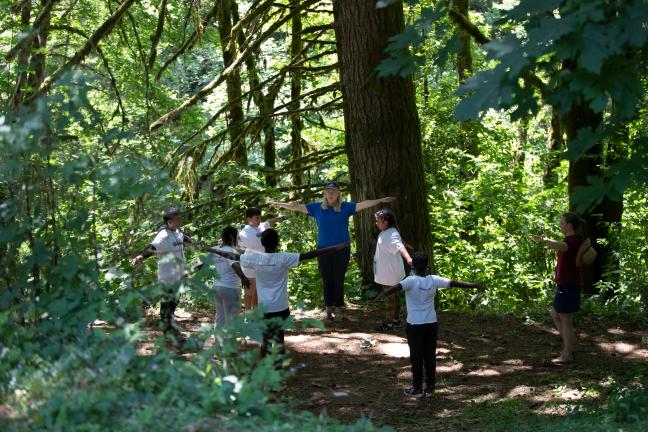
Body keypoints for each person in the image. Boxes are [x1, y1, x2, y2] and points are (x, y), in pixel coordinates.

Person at [205, 229, 350, 357]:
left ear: (262, 244)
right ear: (277, 243)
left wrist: (212, 250)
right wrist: (335, 248)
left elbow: (232, 256)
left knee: (265, 340)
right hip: (281, 307)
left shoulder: (255, 258)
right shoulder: (284, 258)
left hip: (264, 307)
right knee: (279, 338)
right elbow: (310, 254)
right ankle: (278, 370)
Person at [269, 181, 395, 320]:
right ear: (324, 193)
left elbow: (363, 204)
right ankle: (328, 308)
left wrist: (381, 200)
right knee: (327, 279)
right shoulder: (316, 208)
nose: (330, 193)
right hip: (323, 250)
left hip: (342, 249)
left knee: (338, 279)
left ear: (338, 194)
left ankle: (339, 308)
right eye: (328, 191)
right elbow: (297, 207)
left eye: (333, 191)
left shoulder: (345, 207)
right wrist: (279, 203)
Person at [376, 252, 484, 398]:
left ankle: (417, 389)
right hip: (431, 324)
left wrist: (383, 294)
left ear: (412, 266)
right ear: (427, 266)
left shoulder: (410, 281)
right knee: (429, 356)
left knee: (416, 357)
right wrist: (474, 285)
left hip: (415, 325)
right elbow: (454, 283)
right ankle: (431, 387)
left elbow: (397, 287)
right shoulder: (433, 280)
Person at [131, 207, 194, 343]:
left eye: (180, 218)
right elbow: (152, 247)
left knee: (173, 304)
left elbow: (184, 239)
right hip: (168, 278)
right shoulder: (163, 236)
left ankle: (171, 329)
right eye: (177, 219)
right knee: (167, 305)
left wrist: (194, 243)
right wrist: (141, 256)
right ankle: (168, 334)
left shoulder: (176, 232)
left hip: (178, 276)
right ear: (169, 221)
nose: (180, 220)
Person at [533, 212, 584, 364]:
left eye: (562, 223)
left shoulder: (573, 240)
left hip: (569, 284)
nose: (560, 225)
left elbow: (562, 246)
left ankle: (567, 354)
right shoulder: (570, 239)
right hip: (566, 284)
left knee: (565, 318)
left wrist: (544, 240)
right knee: (555, 313)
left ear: (569, 225)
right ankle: (569, 345)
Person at [238, 207, 284, 310]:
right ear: (249, 219)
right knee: (249, 293)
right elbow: (236, 239)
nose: (259, 220)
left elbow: (269, 222)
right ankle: (248, 315)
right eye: (257, 218)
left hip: (262, 265)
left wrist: (279, 218)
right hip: (249, 266)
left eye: (260, 218)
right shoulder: (244, 231)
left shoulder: (262, 226)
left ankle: (256, 316)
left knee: (258, 293)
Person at [374, 209, 412, 331]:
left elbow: (398, 245)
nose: (376, 223)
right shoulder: (389, 231)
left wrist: (408, 258)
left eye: (378, 221)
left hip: (389, 273)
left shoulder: (390, 233)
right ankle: (395, 319)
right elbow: (399, 242)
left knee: (390, 298)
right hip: (390, 271)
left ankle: (388, 323)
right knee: (394, 296)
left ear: (385, 222)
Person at [207, 226, 251, 329]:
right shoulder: (231, 251)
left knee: (220, 317)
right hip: (230, 288)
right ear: (232, 237)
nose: (238, 238)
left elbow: (201, 263)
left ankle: (218, 344)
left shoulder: (216, 249)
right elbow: (235, 265)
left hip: (217, 287)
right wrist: (244, 278)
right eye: (237, 236)